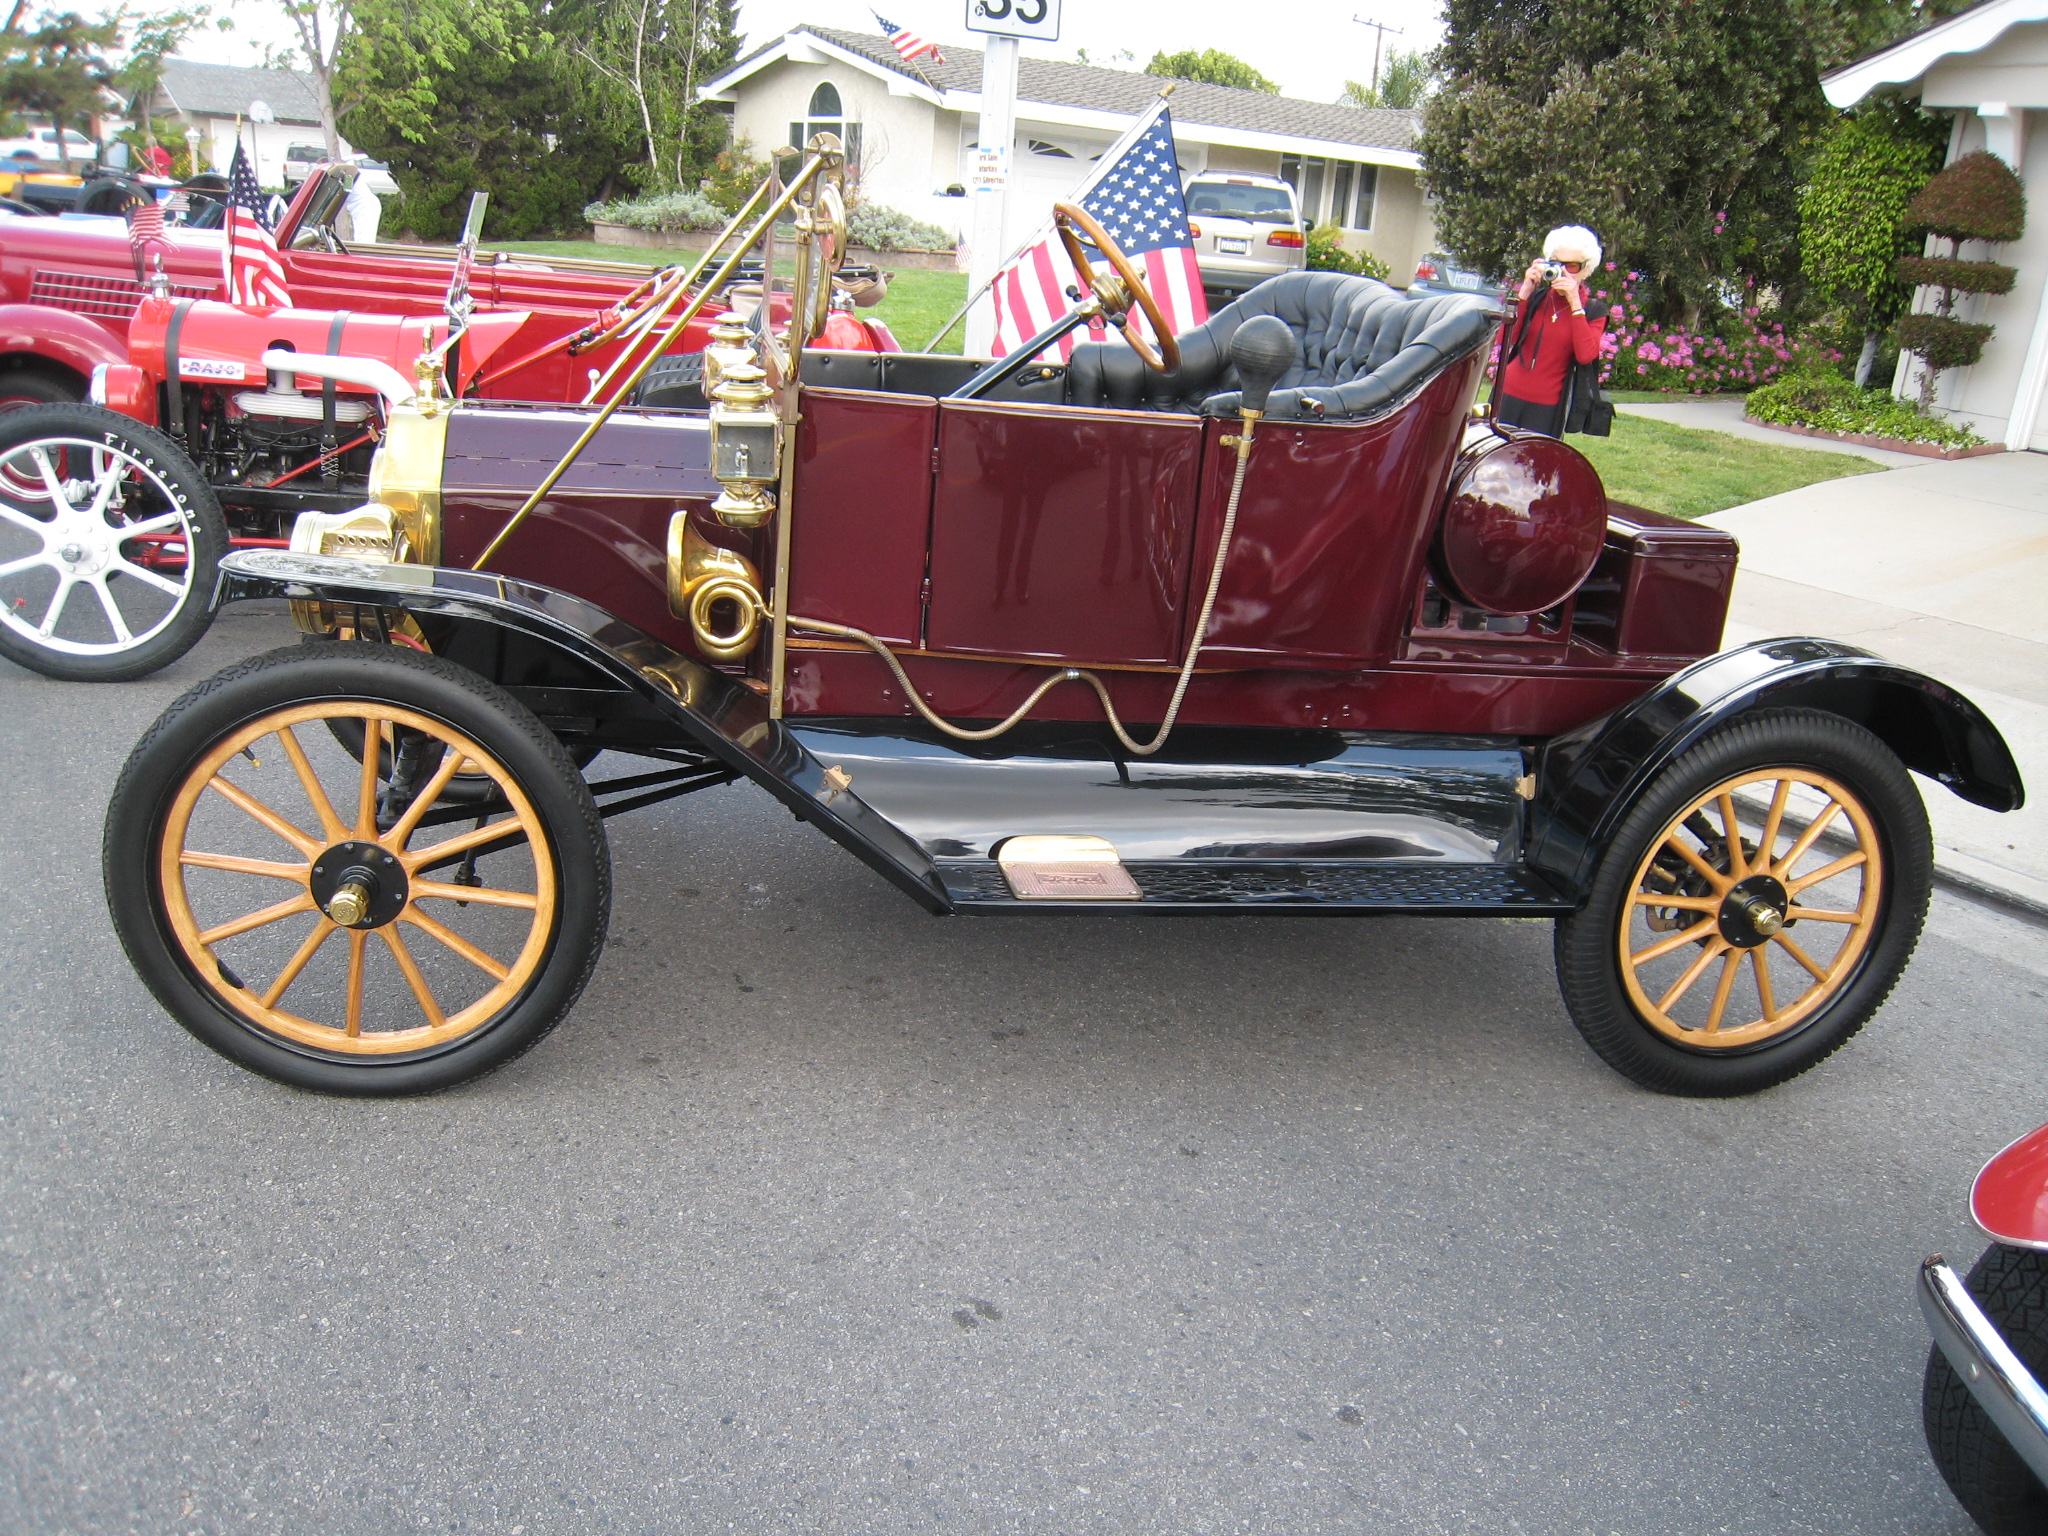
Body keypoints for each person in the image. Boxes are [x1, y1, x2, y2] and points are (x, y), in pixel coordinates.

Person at [1496, 225, 1609, 438]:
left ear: (1587, 270)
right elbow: (1504, 338)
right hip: (1507, 394)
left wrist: (1575, 302)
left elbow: (1586, 355)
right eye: (1557, 264)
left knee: (1536, 465)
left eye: (1572, 266)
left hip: (1547, 405)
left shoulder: (1593, 310)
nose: (1564, 272)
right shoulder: (1537, 298)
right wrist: (1525, 292)